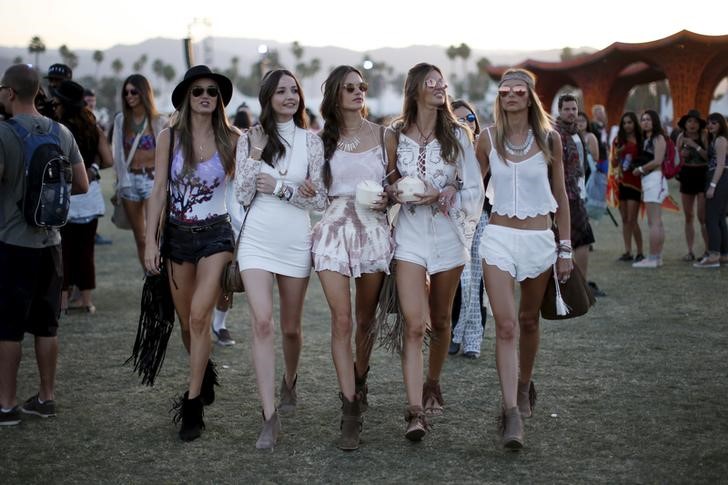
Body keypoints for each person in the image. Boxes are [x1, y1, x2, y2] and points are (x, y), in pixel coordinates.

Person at [385, 63, 484, 441]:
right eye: (431, 82)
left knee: (441, 320)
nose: (440, 87)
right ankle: (414, 413)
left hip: (447, 237)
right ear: (414, 90)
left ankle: (433, 382)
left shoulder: (458, 135)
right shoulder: (395, 135)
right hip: (408, 235)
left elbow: (473, 189)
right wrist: (394, 192)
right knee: (413, 324)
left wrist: (444, 194)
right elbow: (388, 179)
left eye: (442, 81)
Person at [476, 68, 571, 449]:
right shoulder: (485, 139)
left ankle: (525, 383)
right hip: (497, 237)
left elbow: (561, 196)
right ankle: (511, 411)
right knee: (506, 326)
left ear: (530, 97)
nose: (511, 95)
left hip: (539, 241)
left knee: (529, 320)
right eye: (504, 91)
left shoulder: (551, 139)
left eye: (518, 90)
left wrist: (565, 248)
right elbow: (469, 185)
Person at [143, 65, 239, 441]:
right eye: (197, 90)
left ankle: (193, 405)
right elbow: (158, 192)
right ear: (186, 96)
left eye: (212, 92)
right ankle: (205, 370)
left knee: (200, 317)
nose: (205, 96)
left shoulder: (234, 138)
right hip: (177, 238)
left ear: (219, 100)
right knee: (186, 324)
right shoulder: (170, 136)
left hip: (216, 234)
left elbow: (241, 195)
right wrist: (151, 240)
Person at [235, 69, 326, 450]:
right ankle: (268, 415)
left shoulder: (312, 142)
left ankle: (290, 380)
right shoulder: (249, 139)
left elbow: (320, 199)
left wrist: (283, 190)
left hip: (294, 239)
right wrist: (256, 155)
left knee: (290, 327)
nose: (289, 96)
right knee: (262, 323)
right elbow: (241, 194)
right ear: (268, 98)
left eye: (294, 91)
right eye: (281, 91)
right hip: (256, 238)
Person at [0, 64, 88, 425]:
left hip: (12, 242)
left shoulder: (4, 134)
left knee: (7, 328)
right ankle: (47, 398)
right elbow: (81, 184)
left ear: (8, 92)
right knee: (47, 325)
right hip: (51, 244)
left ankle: (6, 405)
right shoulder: (61, 131)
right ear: (38, 91)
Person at [312, 66, 393, 450]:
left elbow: (395, 183)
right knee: (341, 320)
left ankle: (360, 380)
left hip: (373, 231)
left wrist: (389, 196)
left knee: (365, 320)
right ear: (335, 94)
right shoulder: (320, 140)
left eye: (362, 87)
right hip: (331, 232)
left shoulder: (383, 134)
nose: (358, 92)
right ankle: (349, 410)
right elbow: (313, 194)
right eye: (350, 88)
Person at [51, 80, 113, 314]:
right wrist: (93, 168)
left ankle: (63, 301)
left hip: (63, 194)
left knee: (63, 252)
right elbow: (108, 159)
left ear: (64, 103)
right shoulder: (91, 124)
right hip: (90, 193)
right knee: (86, 252)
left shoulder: (56, 128)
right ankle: (87, 301)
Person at [112, 74, 167, 269]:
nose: (129, 96)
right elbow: (118, 153)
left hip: (152, 179)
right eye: (126, 92)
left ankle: (161, 273)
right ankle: (149, 275)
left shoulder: (159, 121)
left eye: (133, 91)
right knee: (141, 236)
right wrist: (119, 181)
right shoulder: (121, 120)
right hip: (130, 182)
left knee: (156, 234)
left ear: (144, 93)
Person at [449, 98, 489, 359]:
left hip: (484, 220)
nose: (466, 123)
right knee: (456, 280)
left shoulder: (485, 148)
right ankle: (454, 333)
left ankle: (474, 338)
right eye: (459, 119)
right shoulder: (448, 151)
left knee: (478, 281)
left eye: (470, 118)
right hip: (452, 219)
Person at [555, 95, 600, 293]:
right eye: (567, 109)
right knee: (582, 239)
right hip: (566, 194)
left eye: (574, 109)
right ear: (559, 111)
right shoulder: (556, 134)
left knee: (574, 239)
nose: (571, 112)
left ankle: (576, 283)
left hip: (579, 192)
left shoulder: (577, 133)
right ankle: (579, 285)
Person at [632, 109, 669, 268]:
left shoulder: (658, 137)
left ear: (655, 121)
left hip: (654, 179)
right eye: (643, 119)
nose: (645, 122)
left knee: (654, 222)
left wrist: (640, 170)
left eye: (648, 119)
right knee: (656, 222)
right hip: (650, 180)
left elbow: (658, 160)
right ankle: (657, 257)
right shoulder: (646, 138)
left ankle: (653, 258)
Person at [694, 113, 728, 267]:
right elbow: (710, 158)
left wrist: (713, 186)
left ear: (721, 124)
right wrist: (695, 146)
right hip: (719, 178)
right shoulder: (714, 139)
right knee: (720, 218)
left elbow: (720, 164)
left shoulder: (721, 140)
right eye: (709, 123)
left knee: (711, 218)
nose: (710, 125)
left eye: (714, 123)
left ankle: (714, 255)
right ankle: (724, 255)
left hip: (719, 179)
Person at [675, 110, 709, 261]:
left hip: (702, 175)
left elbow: (709, 156)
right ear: (685, 124)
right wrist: (682, 156)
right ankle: (690, 251)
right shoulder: (681, 137)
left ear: (699, 124)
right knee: (688, 216)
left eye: (695, 121)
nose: (692, 124)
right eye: (689, 121)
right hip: (687, 176)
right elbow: (676, 158)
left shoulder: (704, 135)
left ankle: (708, 250)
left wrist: (695, 146)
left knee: (703, 217)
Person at [610, 112, 645, 262]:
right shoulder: (618, 140)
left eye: (629, 122)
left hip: (636, 184)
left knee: (632, 219)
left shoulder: (642, 140)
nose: (627, 125)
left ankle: (640, 252)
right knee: (624, 219)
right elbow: (614, 164)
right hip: (622, 183)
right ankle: (628, 251)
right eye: (624, 123)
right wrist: (617, 154)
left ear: (634, 123)